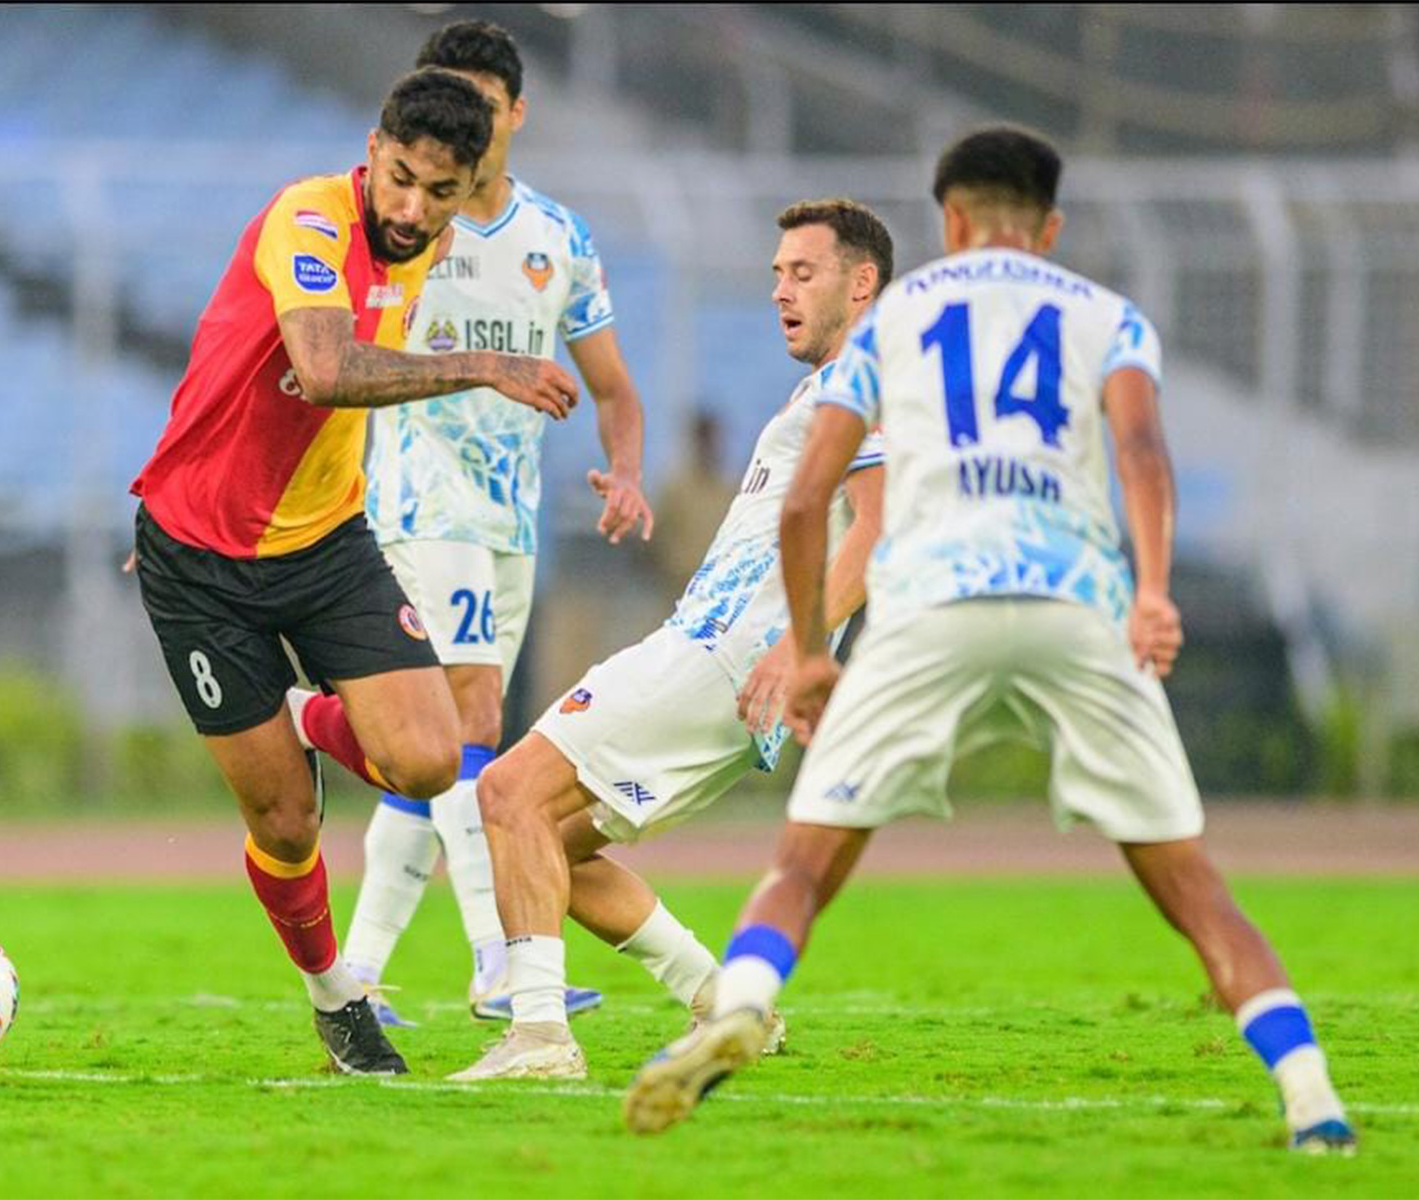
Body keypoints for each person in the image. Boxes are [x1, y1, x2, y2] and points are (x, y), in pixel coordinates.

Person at [622, 127, 1358, 1156]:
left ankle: (741, 1001)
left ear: (951, 221)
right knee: (1193, 888)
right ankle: (1312, 1095)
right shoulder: (1108, 316)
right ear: (1049, 229)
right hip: (1075, 603)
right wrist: (1151, 591)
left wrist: (811, 649)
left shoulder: (895, 321)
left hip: (931, 605)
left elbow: (802, 507)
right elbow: (1142, 453)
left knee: (804, 863)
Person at [129, 69, 581, 1077]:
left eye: (440, 192)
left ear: (467, 192)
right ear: (373, 152)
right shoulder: (310, 217)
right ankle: (336, 997)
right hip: (197, 557)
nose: (412, 208)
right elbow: (327, 369)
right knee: (286, 821)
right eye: (401, 179)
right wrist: (487, 364)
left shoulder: (433, 246)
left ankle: (294, 714)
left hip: (326, 543)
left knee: (430, 760)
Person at [449, 199, 892, 1081]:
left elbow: (884, 534)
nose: (781, 292)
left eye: (803, 274)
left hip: (724, 657)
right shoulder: (831, 385)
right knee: (549, 845)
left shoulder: (869, 384)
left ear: (863, 280)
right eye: (776, 276)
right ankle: (727, 1004)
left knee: (504, 794)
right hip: (722, 657)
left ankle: (539, 1038)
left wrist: (800, 649)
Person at [285, 20, 650, 1026]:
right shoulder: (397, 229)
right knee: (473, 721)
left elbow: (615, 388)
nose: (467, 127)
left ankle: (358, 967)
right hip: (413, 490)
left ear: (515, 114)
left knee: (446, 745)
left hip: (509, 514)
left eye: (484, 107)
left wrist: (624, 472)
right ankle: (498, 957)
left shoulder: (558, 240)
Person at [646, 412, 740, 604]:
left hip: (719, 590)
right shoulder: (676, 490)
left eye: (713, 440)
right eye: (705, 439)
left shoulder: (730, 490)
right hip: (679, 587)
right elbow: (655, 538)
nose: (710, 446)